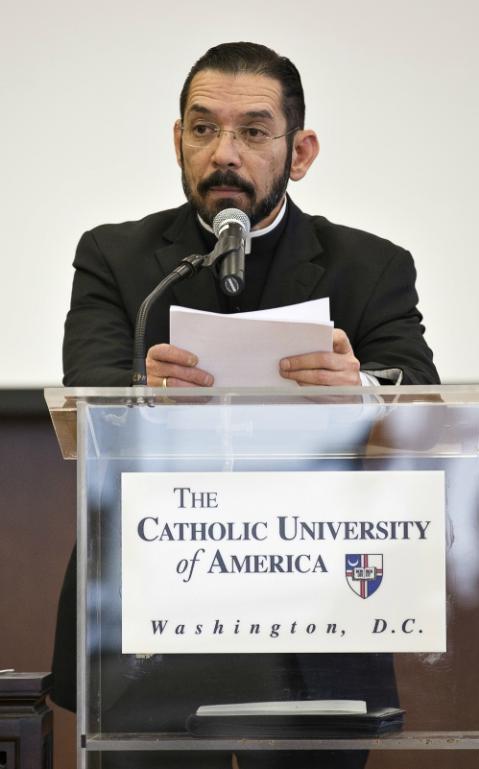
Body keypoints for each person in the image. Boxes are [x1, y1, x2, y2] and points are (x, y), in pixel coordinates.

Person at [53, 42, 439, 768]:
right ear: (178, 140)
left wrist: (359, 391)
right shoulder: (116, 257)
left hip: (316, 618)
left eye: (253, 132)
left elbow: (415, 389)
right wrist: (140, 394)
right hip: (151, 619)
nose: (223, 152)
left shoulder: (371, 265)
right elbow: (91, 387)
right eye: (203, 129)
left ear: (300, 151)